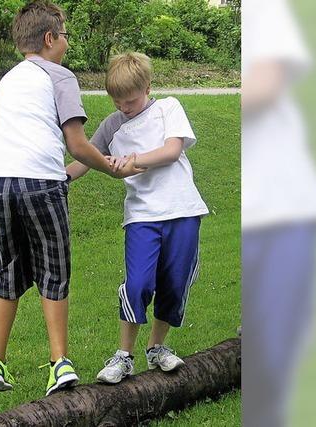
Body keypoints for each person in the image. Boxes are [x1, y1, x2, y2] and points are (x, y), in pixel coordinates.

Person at [0, 0, 142, 396]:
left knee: (8, 268)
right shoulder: (60, 76)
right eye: (64, 35)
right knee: (54, 268)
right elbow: (78, 145)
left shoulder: (8, 80)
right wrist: (113, 168)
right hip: (39, 180)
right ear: (50, 39)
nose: (66, 42)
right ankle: (59, 363)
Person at [66, 52, 208, 384]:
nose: (124, 108)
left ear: (147, 86)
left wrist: (131, 163)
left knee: (175, 283)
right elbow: (86, 158)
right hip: (142, 216)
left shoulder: (168, 108)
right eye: (117, 101)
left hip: (183, 210)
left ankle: (157, 347)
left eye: (129, 100)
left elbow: (172, 151)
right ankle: (124, 356)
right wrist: (59, 178)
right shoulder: (112, 125)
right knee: (139, 283)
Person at [242, 0, 316, 425]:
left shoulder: (265, 8)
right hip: (257, 214)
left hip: (283, 209)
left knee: (281, 352)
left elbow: (266, 85)